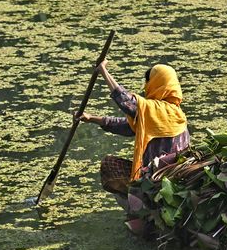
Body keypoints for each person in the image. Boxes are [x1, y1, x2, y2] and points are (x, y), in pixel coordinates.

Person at [80, 60, 190, 194]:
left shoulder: (157, 110)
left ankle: (138, 197)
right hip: (179, 177)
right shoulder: (176, 113)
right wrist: (91, 118)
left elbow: (127, 101)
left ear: (156, 84)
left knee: (109, 164)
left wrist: (104, 71)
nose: (146, 86)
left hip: (156, 179)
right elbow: (126, 126)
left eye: (149, 82)